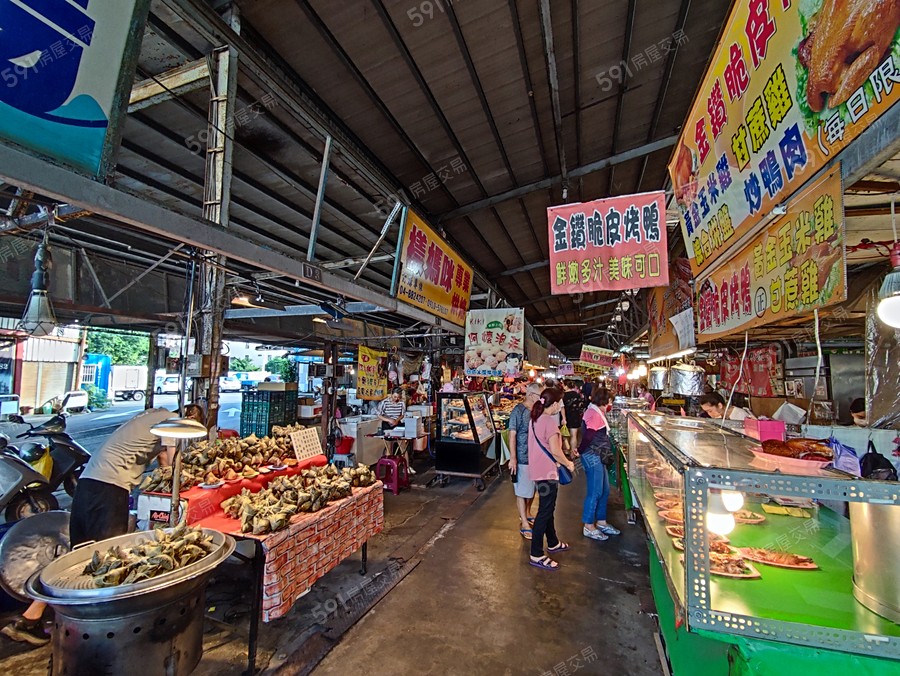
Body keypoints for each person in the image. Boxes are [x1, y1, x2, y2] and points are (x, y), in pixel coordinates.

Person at [2, 405, 205, 646]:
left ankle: (30, 619)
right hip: (110, 489)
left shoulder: (151, 416)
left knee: (77, 560)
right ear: (191, 417)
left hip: (88, 485)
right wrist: (181, 478)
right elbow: (169, 457)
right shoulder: (172, 421)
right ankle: (106, 630)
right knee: (111, 560)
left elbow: (161, 458)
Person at [527, 387, 575, 571]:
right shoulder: (548, 422)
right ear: (554, 404)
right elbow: (556, 451)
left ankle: (553, 542)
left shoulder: (535, 419)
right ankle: (536, 553)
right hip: (547, 473)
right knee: (545, 511)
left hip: (538, 471)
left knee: (548, 508)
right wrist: (569, 464)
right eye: (560, 403)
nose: (560, 406)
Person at [578, 388, 621, 541]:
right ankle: (588, 525)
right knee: (595, 491)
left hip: (598, 455)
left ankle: (601, 522)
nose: (611, 403)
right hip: (592, 455)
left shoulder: (596, 411)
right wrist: (580, 451)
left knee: (605, 490)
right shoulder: (593, 413)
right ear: (606, 401)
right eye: (610, 400)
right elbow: (588, 436)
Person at [508, 383, 542, 539]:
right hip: (522, 456)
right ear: (530, 395)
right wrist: (513, 458)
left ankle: (528, 513)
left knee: (532, 488)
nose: (540, 399)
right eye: (538, 396)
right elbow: (512, 434)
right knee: (522, 491)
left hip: (536, 457)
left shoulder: (537, 411)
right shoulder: (518, 411)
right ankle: (524, 523)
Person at [377, 388, 415, 474]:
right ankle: (390, 468)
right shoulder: (385, 402)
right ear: (391, 394)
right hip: (387, 425)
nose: (396, 399)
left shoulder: (401, 403)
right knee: (389, 448)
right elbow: (379, 415)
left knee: (403, 447)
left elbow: (402, 414)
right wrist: (389, 420)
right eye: (394, 397)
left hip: (398, 425)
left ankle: (407, 467)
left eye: (398, 397)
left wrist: (397, 420)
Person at [562, 380, 587, 456]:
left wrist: (563, 418)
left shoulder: (563, 395)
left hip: (565, 417)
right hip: (575, 417)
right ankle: (573, 453)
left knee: (565, 435)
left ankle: (566, 450)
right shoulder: (577, 394)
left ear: (566, 386)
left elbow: (562, 407)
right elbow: (581, 405)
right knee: (574, 435)